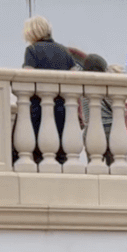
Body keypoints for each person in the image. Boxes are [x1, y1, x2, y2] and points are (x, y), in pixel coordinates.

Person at [21, 16, 81, 163]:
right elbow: (75, 79)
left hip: (38, 109)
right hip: (63, 109)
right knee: (61, 154)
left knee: (38, 154)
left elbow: (27, 79)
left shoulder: (32, 50)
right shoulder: (64, 51)